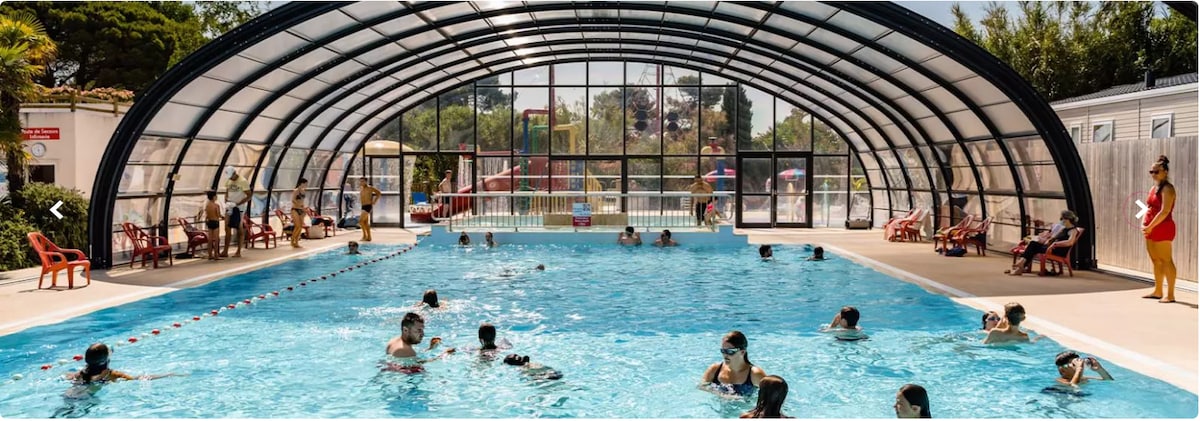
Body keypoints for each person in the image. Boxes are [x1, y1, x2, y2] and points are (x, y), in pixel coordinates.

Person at [1142, 156, 1177, 303]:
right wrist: (1144, 223)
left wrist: (1150, 226)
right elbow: (1149, 208)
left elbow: (1164, 211)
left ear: (1165, 172)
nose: (1153, 174)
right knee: (1155, 260)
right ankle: (1158, 290)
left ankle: (1170, 294)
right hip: (1150, 228)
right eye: (1151, 171)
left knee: (1166, 260)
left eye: (1156, 171)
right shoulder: (1153, 188)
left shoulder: (1168, 189)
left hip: (1162, 227)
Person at [1006, 211, 1080, 276]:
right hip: (1051, 247)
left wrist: (1056, 244)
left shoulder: (1073, 230)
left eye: (1062, 219)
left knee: (1033, 247)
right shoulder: (1063, 229)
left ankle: (1021, 265)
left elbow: (1070, 242)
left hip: (1058, 250)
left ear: (1067, 219)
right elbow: (1053, 238)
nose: (1061, 221)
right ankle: (1021, 265)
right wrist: (1044, 240)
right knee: (1033, 244)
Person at [700, 330, 768, 397]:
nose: (725, 355)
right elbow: (701, 386)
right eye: (723, 351)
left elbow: (772, 394)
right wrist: (722, 395)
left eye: (730, 351)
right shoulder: (715, 369)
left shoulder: (755, 374)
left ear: (742, 352)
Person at [66, 343, 174, 384]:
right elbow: (138, 379)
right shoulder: (112, 374)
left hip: (72, 395)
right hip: (88, 399)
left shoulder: (80, 374)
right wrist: (166, 375)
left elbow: (67, 376)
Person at [385, 312, 455, 361]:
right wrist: (444, 354)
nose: (422, 334)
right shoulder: (405, 350)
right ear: (405, 330)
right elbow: (422, 363)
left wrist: (430, 348)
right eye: (418, 330)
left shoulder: (394, 341)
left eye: (422, 330)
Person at [222, 168, 250, 258]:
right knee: (227, 227)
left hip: (239, 208)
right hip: (229, 206)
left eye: (231, 177)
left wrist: (239, 203)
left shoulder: (243, 181)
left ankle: (238, 251)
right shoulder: (229, 181)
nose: (230, 179)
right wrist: (226, 199)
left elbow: (249, 195)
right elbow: (227, 192)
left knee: (239, 227)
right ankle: (225, 251)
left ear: (235, 173)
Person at [203, 191, 223, 261]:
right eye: (216, 196)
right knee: (217, 240)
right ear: (214, 197)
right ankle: (216, 255)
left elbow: (207, 215)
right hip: (215, 222)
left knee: (210, 240)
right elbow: (218, 214)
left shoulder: (207, 205)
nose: (217, 197)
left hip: (210, 222)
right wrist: (223, 217)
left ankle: (210, 255)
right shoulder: (216, 205)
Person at [290, 178, 308, 248]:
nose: (306, 185)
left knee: (300, 227)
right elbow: (293, 200)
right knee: (297, 226)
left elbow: (302, 201)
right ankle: (292, 240)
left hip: (301, 210)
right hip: (295, 209)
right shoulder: (296, 191)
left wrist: (304, 208)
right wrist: (299, 206)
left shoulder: (304, 191)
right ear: (302, 183)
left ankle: (296, 242)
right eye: (305, 183)